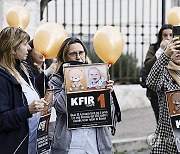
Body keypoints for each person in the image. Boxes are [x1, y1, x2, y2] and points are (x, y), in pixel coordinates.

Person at [48, 37, 116, 154]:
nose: (78, 57)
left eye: (81, 53)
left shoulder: (96, 75)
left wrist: (108, 94)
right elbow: (62, 107)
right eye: (73, 54)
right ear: (64, 57)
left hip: (95, 144)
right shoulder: (56, 81)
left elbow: (109, 114)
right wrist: (68, 78)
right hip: (70, 145)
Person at [0, 27, 46, 154]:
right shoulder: (2, 77)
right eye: (25, 44)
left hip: (31, 146)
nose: (29, 48)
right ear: (12, 48)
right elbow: (2, 120)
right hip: (14, 147)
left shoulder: (23, 69)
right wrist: (28, 110)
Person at [146, 36, 180, 153]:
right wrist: (165, 55)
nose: (178, 52)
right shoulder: (164, 72)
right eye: (176, 49)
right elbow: (151, 82)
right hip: (167, 142)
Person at [144, 24, 173, 124]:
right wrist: (160, 50)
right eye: (165, 35)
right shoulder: (154, 48)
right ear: (161, 36)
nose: (168, 38)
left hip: (172, 91)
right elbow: (148, 65)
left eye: (170, 35)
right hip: (156, 93)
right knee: (161, 121)